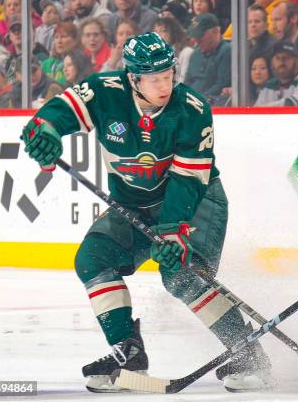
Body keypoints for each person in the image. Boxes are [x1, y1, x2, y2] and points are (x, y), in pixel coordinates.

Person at [19, 32, 273, 393]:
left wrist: (173, 231)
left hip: (198, 204)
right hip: (132, 205)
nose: (165, 85)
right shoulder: (105, 90)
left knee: (181, 276)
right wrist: (44, 133)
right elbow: (59, 112)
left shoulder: (192, 109)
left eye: (169, 75)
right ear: (132, 78)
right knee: (92, 260)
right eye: (154, 79)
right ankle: (129, 351)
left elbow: (188, 180)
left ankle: (249, 352)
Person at [255, 40, 298, 106]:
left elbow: (292, 104)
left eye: (287, 58)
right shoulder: (268, 87)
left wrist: (264, 108)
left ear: (297, 62)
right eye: (277, 58)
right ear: (272, 62)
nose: (281, 62)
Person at [185, 13, 231, 105]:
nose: (196, 40)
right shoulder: (195, 54)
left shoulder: (227, 51)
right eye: (195, 36)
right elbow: (187, 83)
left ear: (216, 31)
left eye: (200, 35)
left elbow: (221, 86)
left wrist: (195, 100)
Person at [152, 17, 193, 83]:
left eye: (163, 31)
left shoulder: (186, 52)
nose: (158, 35)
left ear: (173, 32)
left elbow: (183, 81)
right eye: (156, 32)